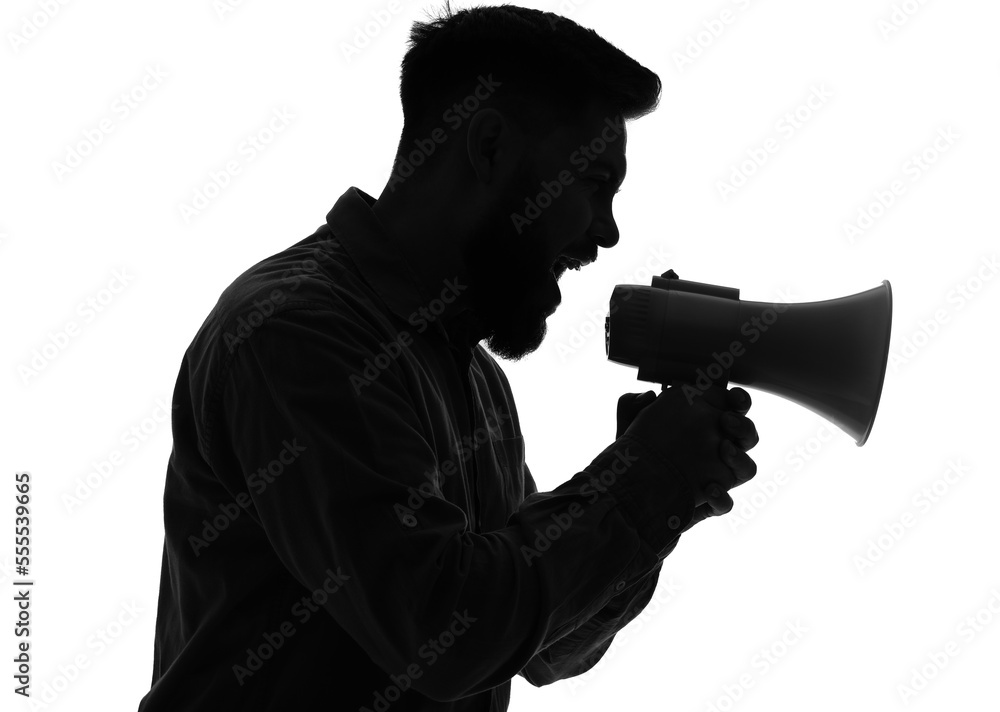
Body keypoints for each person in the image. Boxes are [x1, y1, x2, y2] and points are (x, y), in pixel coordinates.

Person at [137, 3, 758, 710]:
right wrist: (642, 480)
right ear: (489, 146)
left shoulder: (474, 376)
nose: (607, 233)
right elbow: (445, 626)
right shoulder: (297, 335)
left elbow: (545, 647)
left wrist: (662, 501)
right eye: (593, 186)